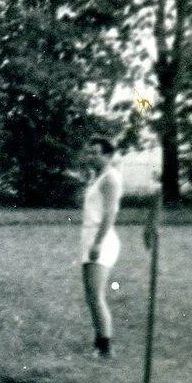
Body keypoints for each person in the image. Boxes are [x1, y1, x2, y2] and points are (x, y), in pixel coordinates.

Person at [80, 136, 123, 359]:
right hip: (90, 237)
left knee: (96, 295)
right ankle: (99, 341)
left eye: (95, 153)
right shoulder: (97, 178)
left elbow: (110, 214)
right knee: (90, 295)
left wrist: (98, 243)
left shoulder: (110, 179)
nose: (90, 157)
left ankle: (105, 347)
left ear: (107, 155)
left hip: (101, 239)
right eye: (88, 152)